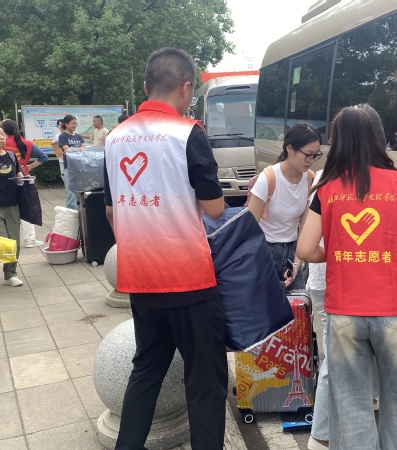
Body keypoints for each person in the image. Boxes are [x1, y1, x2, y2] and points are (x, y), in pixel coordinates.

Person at [104, 47, 227, 450]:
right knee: (204, 380)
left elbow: (111, 210)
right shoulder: (188, 133)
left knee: (146, 371)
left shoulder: (116, 137)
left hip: (140, 279)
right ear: (186, 88)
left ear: (146, 87)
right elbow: (214, 208)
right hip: (189, 280)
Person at [298, 104, 397, 450]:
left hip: (345, 310)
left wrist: (337, 253)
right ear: (379, 137)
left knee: (351, 404)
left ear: (338, 141)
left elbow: (306, 249)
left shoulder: (327, 189)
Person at [247, 123, 320, 290]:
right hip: (265, 251)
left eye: (315, 155)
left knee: (298, 304)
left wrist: (296, 264)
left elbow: (305, 228)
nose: (311, 160)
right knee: (267, 304)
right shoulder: (268, 178)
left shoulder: (309, 179)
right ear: (289, 148)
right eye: (308, 155)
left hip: (292, 251)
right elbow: (250, 228)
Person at [1, 120, 48, 248]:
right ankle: (30, 240)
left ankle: (6, 240)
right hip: (24, 178)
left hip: (5, 179)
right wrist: (30, 166)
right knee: (26, 207)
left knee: (7, 209)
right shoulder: (27, 143)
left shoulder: (1, 143)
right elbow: (44, 157)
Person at [0, 124, 24, 287]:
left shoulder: (11, 156)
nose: (2, 137)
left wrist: (23, 179)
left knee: (14, 243)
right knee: (0, 242)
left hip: (12, 205)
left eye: (3, 134)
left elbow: (18, 173)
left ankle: (10, 274)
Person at [58, 115, 85, 210]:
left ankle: (80, 213)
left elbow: (84, 147)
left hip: (80, 167)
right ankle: (71, 213)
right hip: (69, 168)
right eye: (72, 123)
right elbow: (67, 151)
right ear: (66, 124)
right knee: (70, 193)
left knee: (81, 191)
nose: (74, 125)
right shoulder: (62, 136)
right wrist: (78, 149)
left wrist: (73, 149)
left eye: (75, 123)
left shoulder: (78, 136)